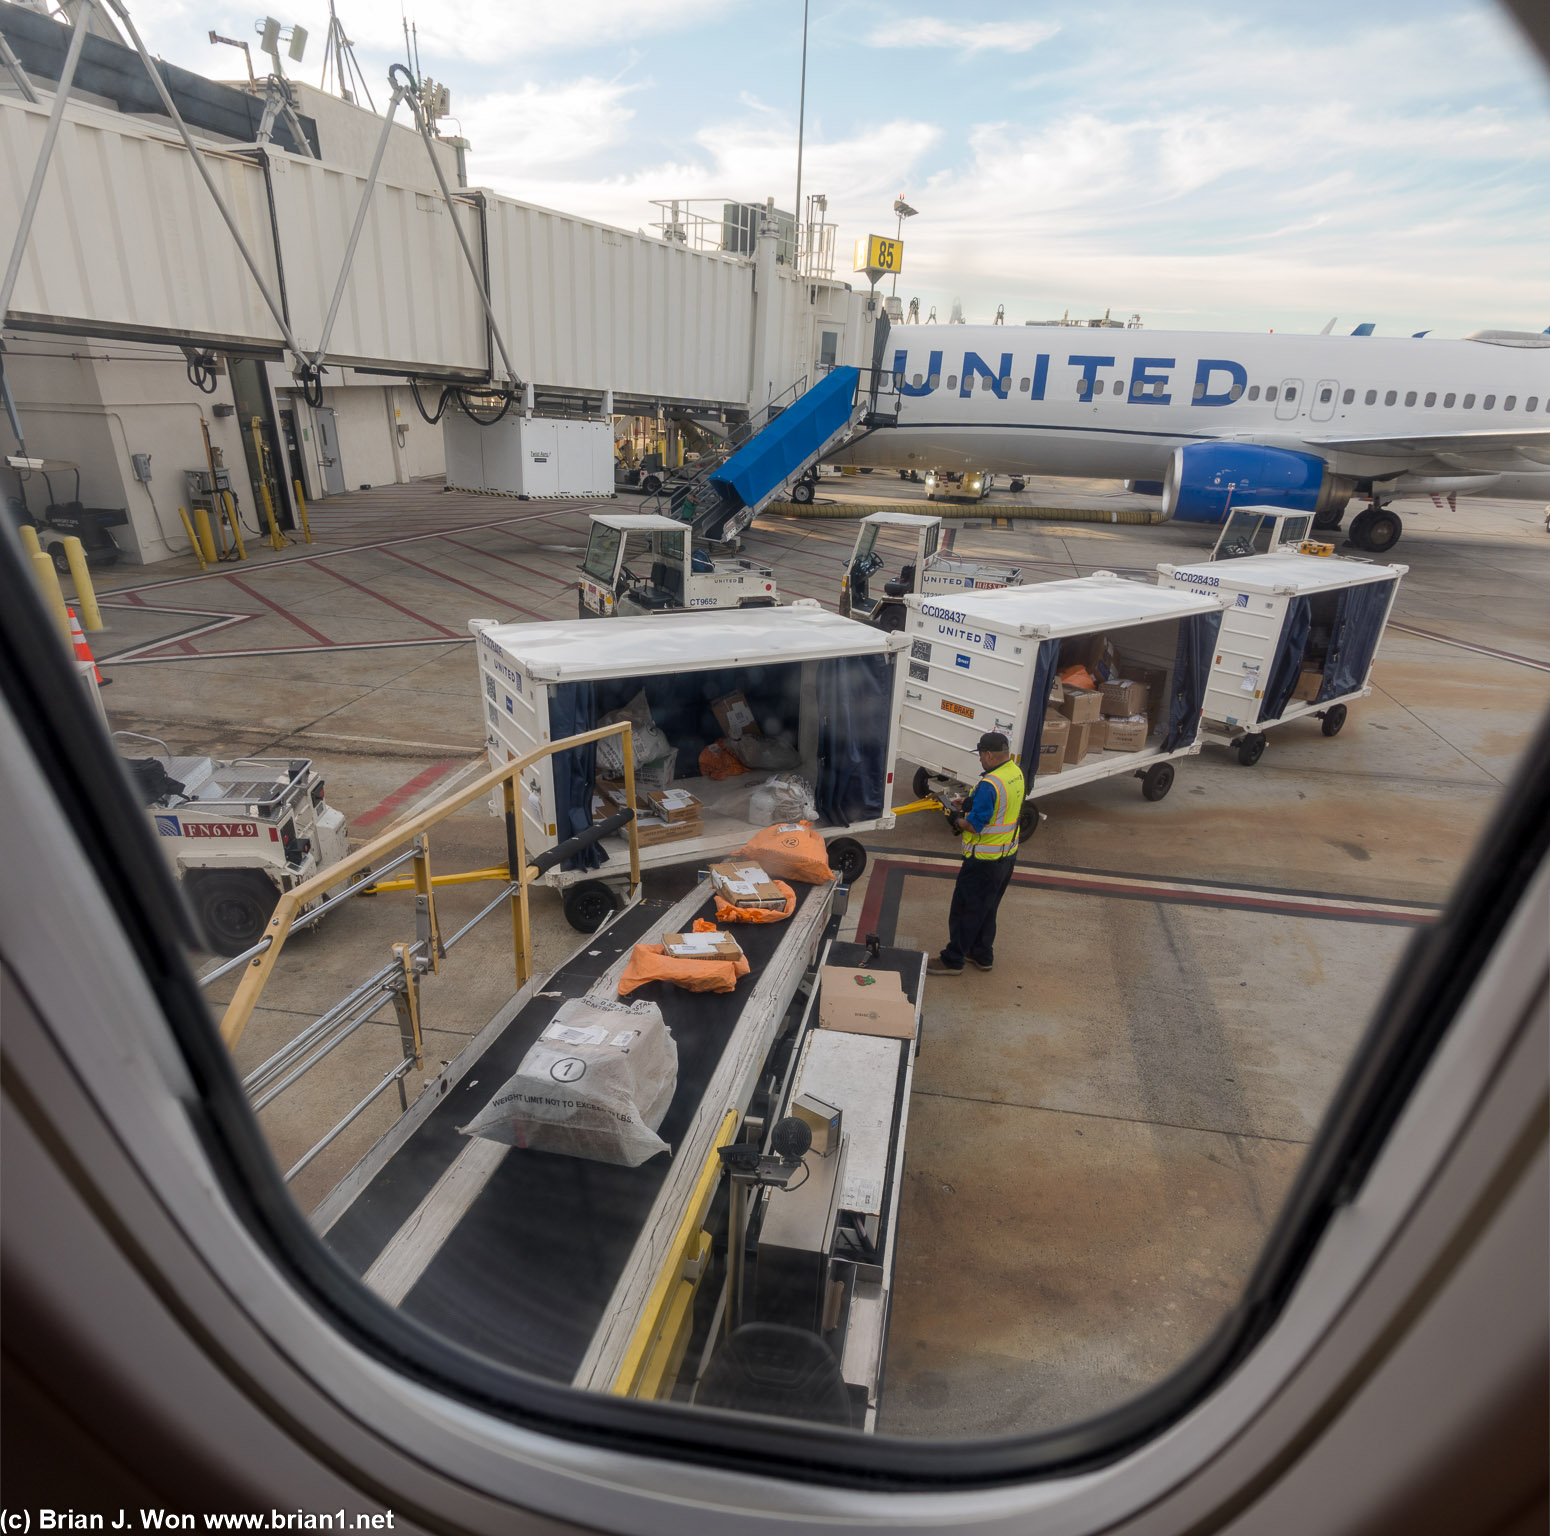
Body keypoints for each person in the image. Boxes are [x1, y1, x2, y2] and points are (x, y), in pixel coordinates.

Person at [927, 732, 1026, 976]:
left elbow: (974, 826)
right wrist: (969, 802)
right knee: (988, 907)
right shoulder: (1015, 773)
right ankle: (982, 955)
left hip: (983, 861)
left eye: (981, 755)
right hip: (1007, 857)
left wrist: (956, 818)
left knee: (965, 910)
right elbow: (1001, 808)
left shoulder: (989, 785)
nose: (980, 759)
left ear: (989, 755)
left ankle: (953, 960)